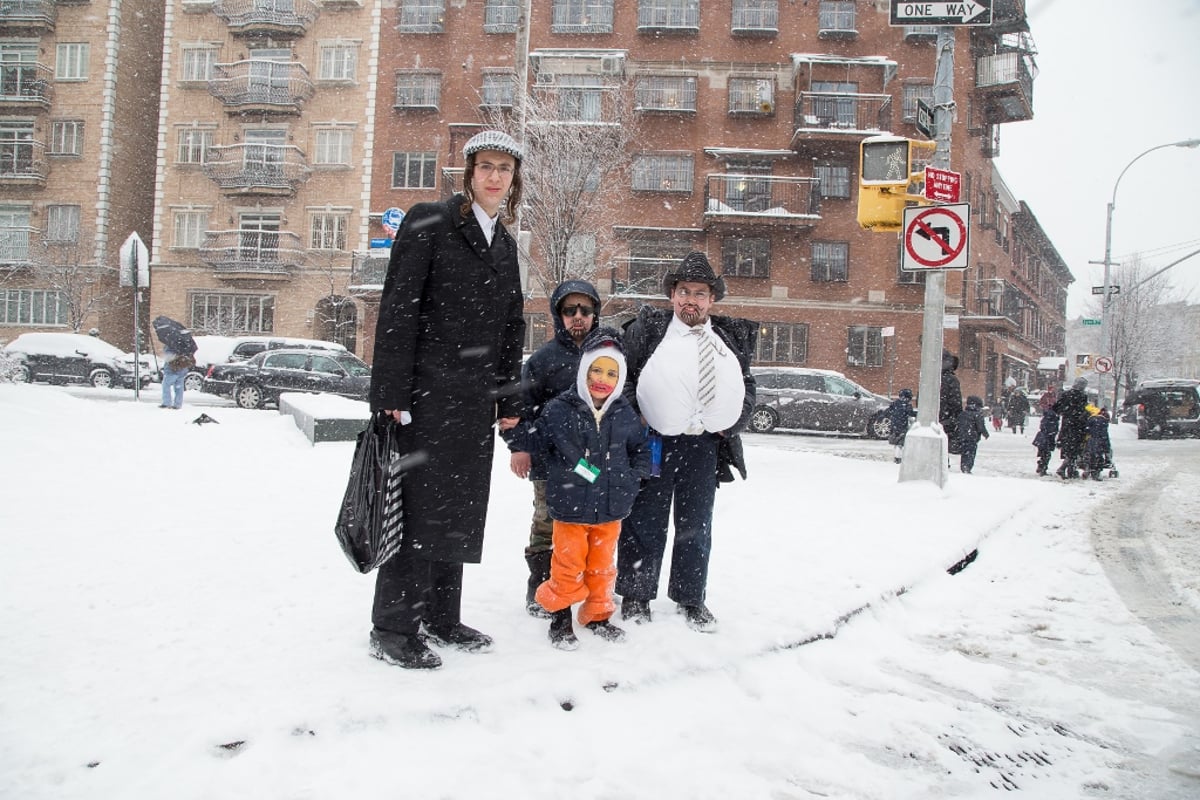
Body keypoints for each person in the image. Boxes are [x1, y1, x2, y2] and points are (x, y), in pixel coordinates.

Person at [366, 129, 527, 670]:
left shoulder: (504, 245)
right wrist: (390, 391)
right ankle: (392, 627)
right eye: (486, 166)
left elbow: (511, 329)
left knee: (456, 511)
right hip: (424, 396)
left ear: (513, 180)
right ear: (469, 172)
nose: (494, 176)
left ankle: (440, 616)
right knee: (415, 511)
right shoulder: (429, 221)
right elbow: (398, 308)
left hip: (472, 403)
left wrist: (507, 399)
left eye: (504, 168)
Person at [616, 251, 757, 633]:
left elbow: (747, 385)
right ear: (672, 296)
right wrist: (638, 415)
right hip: (657, 443)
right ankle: (636, 594)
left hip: (704, 447)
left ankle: (691, 597)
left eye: (699, 293)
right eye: (683, 291)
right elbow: (623, 378)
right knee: (645, 521)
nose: (689, 300)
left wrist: (733, 423)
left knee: (696, 525)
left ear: (712, 300)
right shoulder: (649, 331)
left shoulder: (727, 338)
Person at [533, 329, 651, 649]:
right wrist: (560, 472)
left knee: (601, 565)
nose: (603, 379)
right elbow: (541, 447)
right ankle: (559, 616)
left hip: (611, 507)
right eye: (596, 369)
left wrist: (634, 475)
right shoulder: (560, 409)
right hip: (570, 505)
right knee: (568, 563)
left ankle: (597, 613)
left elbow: (640, 449)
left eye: (612, 373)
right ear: (584, 369)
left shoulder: (624, 412)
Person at [504, 280, 601, 618]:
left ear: (594, 314)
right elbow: (520, 408)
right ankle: (541, 587)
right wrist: (519, 447)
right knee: (548, 524)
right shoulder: (543, 360)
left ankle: (586, 586)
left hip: (595, 462)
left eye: (585, 310)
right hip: (551, 463)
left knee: (592, 525)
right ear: (559, 315)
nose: (578, 317)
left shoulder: (606, 356)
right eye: (569, 310)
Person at [1053, 377, 1091, 480]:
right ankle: (1064, 468)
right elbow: (1085, 410)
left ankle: (1071, 469)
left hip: (1066, 424)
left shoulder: (1066, 394)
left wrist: (1066, 412)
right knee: (1075, 449)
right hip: (1078, 426)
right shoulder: (1083, 396)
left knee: (1068, 447)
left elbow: (1056, 408)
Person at [955, 395, 989, 473]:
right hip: (972, 437)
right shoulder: (977, 415)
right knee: (971, 453)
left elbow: (958, 424)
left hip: (963, 436)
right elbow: (981, 426)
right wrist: (985, 434)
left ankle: (964, 466)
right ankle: (967, 467)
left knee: (965, 452)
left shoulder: (963, 413)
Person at [939, 350, 963, 455]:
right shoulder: (951, 380)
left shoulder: (930, 377)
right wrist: (957, 416)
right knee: (945, 443)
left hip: (932, 417)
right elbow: (956, 401)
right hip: (947, 418)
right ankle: (943, 462)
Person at [886, 388, 917, 464]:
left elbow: (888, 411)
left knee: (896, 442)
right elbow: (910, 413)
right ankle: (898, 458)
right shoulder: (907, 405)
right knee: (901, 443)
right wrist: (917, 414)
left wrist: (892, 417)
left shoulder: (895, 403)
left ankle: (896, 456)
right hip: (903, 426)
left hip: (894, 425)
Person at [1083, 406, 1112, 481]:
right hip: (1099, 441)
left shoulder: (1091, 419)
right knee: (1098, 457)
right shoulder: (1103, 422)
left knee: (1089, 456)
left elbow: (1086, 430)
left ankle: (1087, 469)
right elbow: (1105, 436)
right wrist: (1107, 449)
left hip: (1090, 440)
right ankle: (1096, 472)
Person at [1032, 399, 1060, 476]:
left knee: (1044, 454)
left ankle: (1041, 466)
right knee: (1046, 454)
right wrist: (1052, 433)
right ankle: (1042, 468)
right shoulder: (1053, 416)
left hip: (1043, 436)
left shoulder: (1048, 414)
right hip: (1046, 437)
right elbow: (1050, 427)